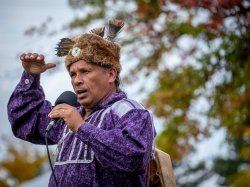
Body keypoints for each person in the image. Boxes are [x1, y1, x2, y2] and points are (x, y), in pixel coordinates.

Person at [7, 19, 155, 187]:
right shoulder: (68, 117)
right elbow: (25, 121)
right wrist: (30, 78)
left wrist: (81, 128)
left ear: (111, 75)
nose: (77, 81)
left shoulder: (131, 112)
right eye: (72, 74)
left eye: (85, 71)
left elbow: (133, 158)